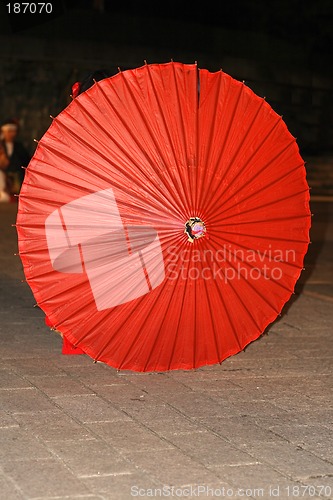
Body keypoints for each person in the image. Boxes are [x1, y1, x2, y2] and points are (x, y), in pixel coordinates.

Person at [1, 120, 30, 195]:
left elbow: (26, 161)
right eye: (10, 131)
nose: (12, 134)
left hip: (17, 177)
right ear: (4, 132)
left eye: (14, 131)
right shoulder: (1, 146)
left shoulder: (19, 146)